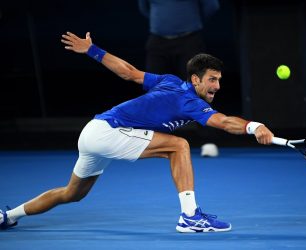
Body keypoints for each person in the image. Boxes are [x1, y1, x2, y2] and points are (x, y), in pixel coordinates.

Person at [0, 31, 274, 233]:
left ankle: (8, 216)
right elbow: (224, 122)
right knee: (178, 146)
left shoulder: (169, 82)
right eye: (212, 80)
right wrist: (254, 126)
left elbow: (129, 73)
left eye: (219, 80)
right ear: (195, 79)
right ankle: (190, 216)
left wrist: (93, 50)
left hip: (94, 131)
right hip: (108, 132)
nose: (217, 86)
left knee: (72, 193)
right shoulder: (188, 100)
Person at [138, 0, 220, 80]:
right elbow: (143, 7)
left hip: (189, 41)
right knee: (155, 85)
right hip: (157, 42)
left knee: (191, 85)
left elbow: (212, 6)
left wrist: (193, 21)